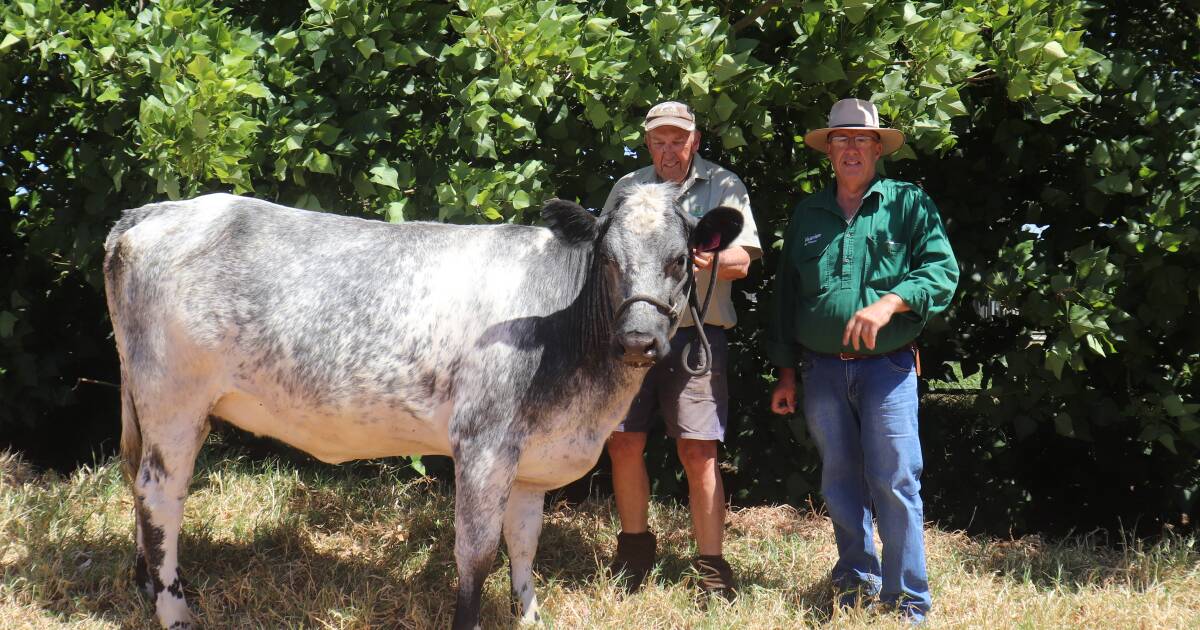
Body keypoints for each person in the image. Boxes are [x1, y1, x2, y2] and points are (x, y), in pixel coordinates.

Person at [766, 98, 958, 623]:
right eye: (841, 139)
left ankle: (906, 600)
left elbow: (942, 272)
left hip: (888, 368)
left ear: (878, 148)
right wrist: (785, 372)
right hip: (821, 371)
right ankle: (855, 579)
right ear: (828, 149)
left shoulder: (908, 203)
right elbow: (787, 298)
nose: (851, 149)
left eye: (861, 140)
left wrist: (890, 301)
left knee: (895, 480)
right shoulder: (809, 212)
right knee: (839, 480)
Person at [603, 101, 762, 599]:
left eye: (678, 140)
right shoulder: (628, 190)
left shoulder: (725, 186)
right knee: (624, 441)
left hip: (696, 333)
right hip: (634, 332)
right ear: (648, 143)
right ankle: (634, 550)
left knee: (698, 448)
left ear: (695, 140)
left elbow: (743, 260)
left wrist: (706, 257)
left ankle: (712, 566)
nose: (669, 150)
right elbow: (602, 254)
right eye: (659, 141)